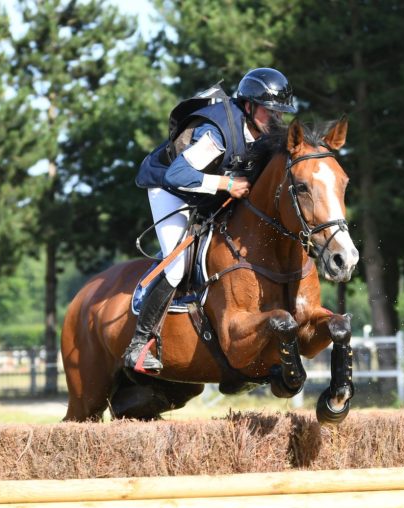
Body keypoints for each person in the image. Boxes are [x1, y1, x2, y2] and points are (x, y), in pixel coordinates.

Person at [126, 67, 297, 375]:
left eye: (280, 113)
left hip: (208, 187)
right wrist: (227, 185)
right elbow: (178, 175)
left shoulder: (262, 130)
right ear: (248, 106)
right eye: (268, 111)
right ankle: (139, 344)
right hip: (170, 187)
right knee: (177, 266)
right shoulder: (216, 131)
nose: (275, 120)